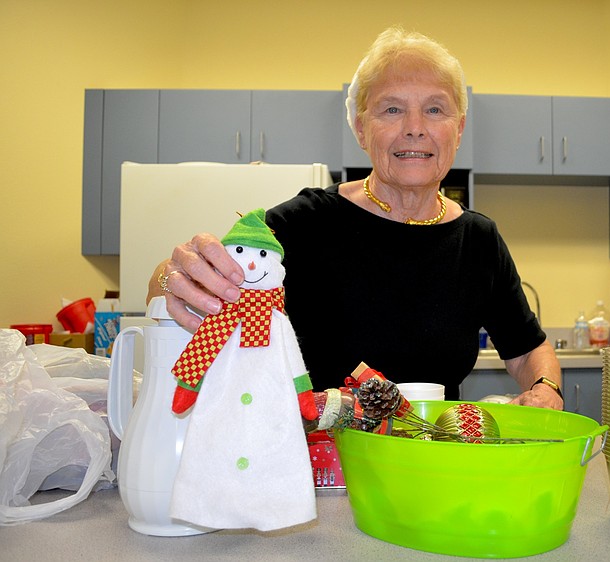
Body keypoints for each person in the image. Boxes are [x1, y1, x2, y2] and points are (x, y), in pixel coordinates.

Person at [148, 26, 563, 410]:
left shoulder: (478, 240)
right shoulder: (307, 222)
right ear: (362, 129)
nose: (415, 128)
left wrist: (546, 389)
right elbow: (197, 279)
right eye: (392, 110)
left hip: (435, 455)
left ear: (459, 129)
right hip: (320, 462)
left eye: (436, 110)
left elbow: (528, 351)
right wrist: (174, 276)